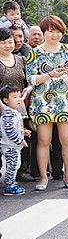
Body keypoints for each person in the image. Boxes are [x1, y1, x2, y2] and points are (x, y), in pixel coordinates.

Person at [26, 15, 68, 190]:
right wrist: (50, 75)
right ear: (44, 32)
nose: (55, 35)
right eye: (51, 31)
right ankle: (43, 177)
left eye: (58, 31)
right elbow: (31, 78)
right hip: (42, 101)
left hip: (65, 100)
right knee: (44, 140)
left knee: (67, 139)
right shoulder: (35, 53)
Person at [0, 28, 30, 181]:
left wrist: (28, 88)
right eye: (3, 42)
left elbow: (27, 81)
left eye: (10, 42)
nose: (7, 45)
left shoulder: (20, 60)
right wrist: (4, 108)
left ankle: (20, 173)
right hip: (2, 107)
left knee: (19, 138)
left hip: (18, 107)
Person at [0, 85, 30, 195]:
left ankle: (11, 182)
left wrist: (24, 131)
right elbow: (9, 130)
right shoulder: (8, 113)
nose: (18, 100)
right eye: (14, 97)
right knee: (12, 165)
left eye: (19, 97)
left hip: (13, 145)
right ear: (5, 100)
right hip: (10, 145)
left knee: (15, 164)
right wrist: (20, 140)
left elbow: (16, 128)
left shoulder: (14, 112)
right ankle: (9, 186)